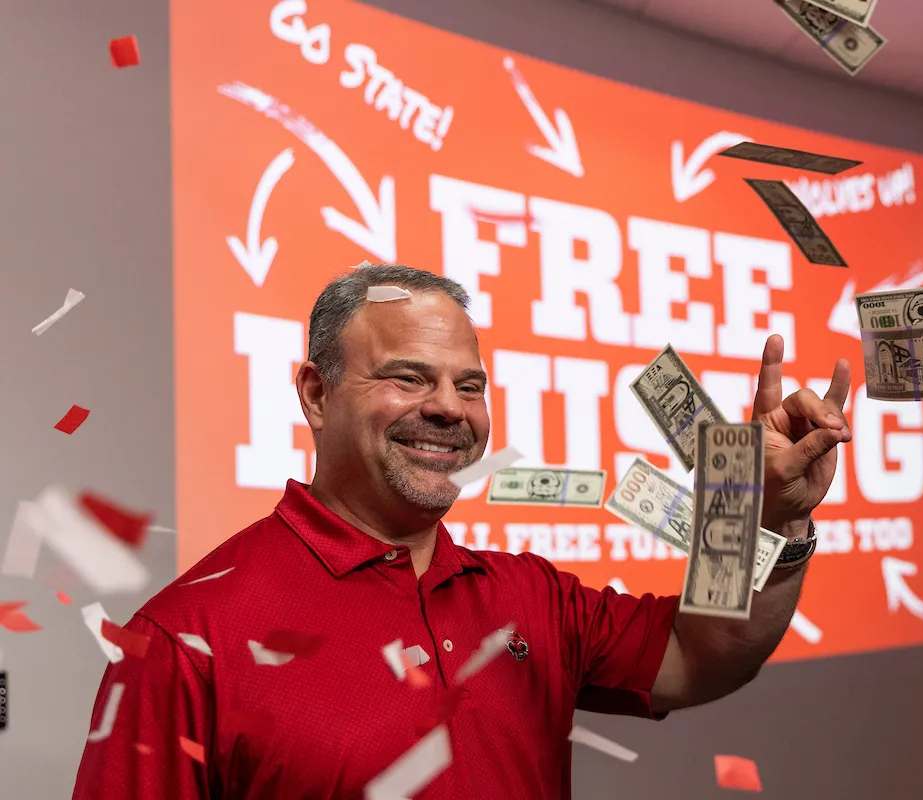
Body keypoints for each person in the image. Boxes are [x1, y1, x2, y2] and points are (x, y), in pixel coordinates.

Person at [73, 265, 852, 799]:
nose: (449, 407)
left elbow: (703, 653)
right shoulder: (184, 641)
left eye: (469, 384)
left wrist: (773, 516)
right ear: (316, 393)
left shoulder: (529, 595)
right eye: (409, 376)